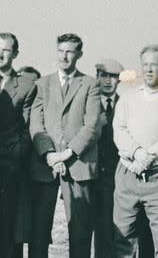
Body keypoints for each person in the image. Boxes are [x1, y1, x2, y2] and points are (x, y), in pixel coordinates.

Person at [29, 33, 102, 258]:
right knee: (39, 231)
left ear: (79, 54)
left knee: (80, 231)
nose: (64, 56)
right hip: (45, 167)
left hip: (78, 165)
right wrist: (50, 154)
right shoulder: (42, 84)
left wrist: (67, 154)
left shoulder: (90, 84)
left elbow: (92, 125)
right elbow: (36, 124)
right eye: (61, 50)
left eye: (70, 51)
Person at [112, 44, 158, 258]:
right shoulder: (128, 97)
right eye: (145, 64)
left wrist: (146, 158)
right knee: (123, 239)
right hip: (128, 174)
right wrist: (136, 153)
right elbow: (119, 130)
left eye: (154, 64)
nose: (149, 69)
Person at [0, 33, 36, 258]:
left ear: (15, 54)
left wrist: (15, 154)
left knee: (8, 232)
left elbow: (28, 128)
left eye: (5, 50)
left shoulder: (25, 85)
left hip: (10, 169)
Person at [93, 59, 124, 258]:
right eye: (103, 75)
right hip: (90, 178)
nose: (107, 81)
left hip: (117, 179)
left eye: (113, 77)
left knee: (115, 232)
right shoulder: (88, 103)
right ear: (97, 77)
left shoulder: (126, 105)